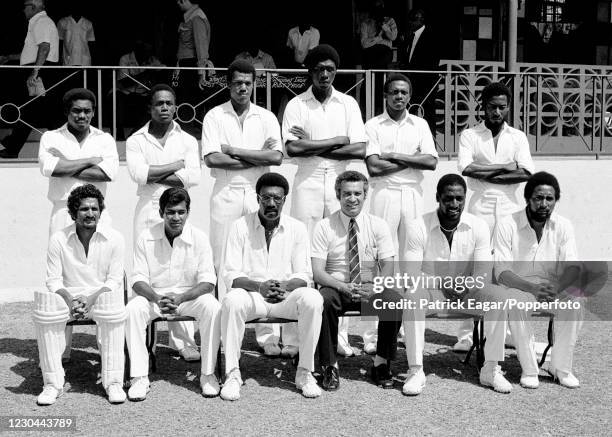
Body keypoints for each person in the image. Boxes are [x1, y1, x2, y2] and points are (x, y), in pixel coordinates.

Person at [398, 174, 535, 395]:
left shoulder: (478, 225)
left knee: (500, 297)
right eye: (448, 198)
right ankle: (415, 370)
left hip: (469, 289)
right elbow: (411, 275)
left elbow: (482, 273)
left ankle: (491, 368)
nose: (454, 204)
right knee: (412, 296)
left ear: (465, 198)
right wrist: (442, 283)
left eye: (459, 199)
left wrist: (464, 284)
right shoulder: (417, 226)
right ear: (437, 198)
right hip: (433, 290)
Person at [282, 44, 368, 357]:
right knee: (301, 254)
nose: (325, 74)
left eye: (330, 69)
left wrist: (312, 144)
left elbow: (358, 149)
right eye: (319, 69)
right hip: (306, 180)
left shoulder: (347, 104)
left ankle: (339, 336)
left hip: (339, 182)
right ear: (310, 71)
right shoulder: (296, 104)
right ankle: (294, 337)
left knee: (341, 253)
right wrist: (335, 140)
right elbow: (292, 150)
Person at [201, 60, 287, 355]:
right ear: (228, 84)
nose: (243, 88)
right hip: (226, 191)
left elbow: (275, 157)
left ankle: (267, 335)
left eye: (248, 83)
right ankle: (225, 334)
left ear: (254, 84)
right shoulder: (215, 115)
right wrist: (257, 155)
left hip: (257, 191)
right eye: (237, 82)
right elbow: (212, 159)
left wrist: (235, 150)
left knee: (263, 257)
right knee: (223, 261)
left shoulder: (265, 117)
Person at [220, 173, 323, 400]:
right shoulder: (240, 226)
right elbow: (230, 273)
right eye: (266, 197)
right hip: (253, 297)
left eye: (277, 198)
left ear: (285, 199)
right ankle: (232, 374)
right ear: (258, 198)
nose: (271, 203)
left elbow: (304, 274)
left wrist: (284, 285)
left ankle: (305, 372)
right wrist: (260, 287)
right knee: (231, 300)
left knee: (313, 299)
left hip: (285, 297)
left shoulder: (297, 228)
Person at [455, 81, 535, 352]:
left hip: (510, 207)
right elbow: (467, 169)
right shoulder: (470, 135)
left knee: (506, 265)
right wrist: (504, 166)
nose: (497, 112)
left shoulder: (518, 137)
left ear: (508, 108)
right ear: (483, 107)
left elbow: (525, 172)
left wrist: (487, 169)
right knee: (475, 265)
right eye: (492, 107)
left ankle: (510, 330)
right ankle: (466, 334)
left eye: (502, 107)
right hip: (479, 206)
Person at [362, 73, 438, 353]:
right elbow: (374, 168)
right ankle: (373, 333)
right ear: (385, 95)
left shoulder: (420, 124)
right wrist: (410, 160)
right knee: (380, 259)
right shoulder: (372, 125)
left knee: (411, 260)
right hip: (383, 193)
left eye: (404, 92)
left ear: (410, 96)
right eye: (394, 92)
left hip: (413, 196)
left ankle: (407, 326)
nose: (399, 97)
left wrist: (392, 155)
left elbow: (430, 161)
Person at [126, 84, 201, 361]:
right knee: (148, 271)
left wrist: (155, 173)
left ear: (175, 106)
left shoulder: (188, 140)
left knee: (180, 269)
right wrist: (176, 165)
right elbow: (138, 174)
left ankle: (183, 340)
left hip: (178, 209)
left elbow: (193, 178)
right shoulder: (136, 140)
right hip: (148, 208)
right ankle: (146, 340)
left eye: (169, 103)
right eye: (159, 104)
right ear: (150, 107)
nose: (165, 108)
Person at [125, 187, 221, 400]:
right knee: (132, 309)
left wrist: (181, 298)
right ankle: (139, 377)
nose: (176, 217)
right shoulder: (145, 237)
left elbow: (208, 282)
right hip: (155, 297)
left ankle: (208, 374)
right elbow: (138, 280)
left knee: (213, 307)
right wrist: (157, 298)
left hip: (188, 297)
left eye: (181, 212)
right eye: (170, 212)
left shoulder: (200, 237)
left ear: (188, 212)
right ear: (161, 213)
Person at [33, 184, 126, 405]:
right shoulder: (58, 239)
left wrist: (91, 298)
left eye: (94, 208)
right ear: (74, 212)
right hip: (69, 298)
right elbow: (53, 280)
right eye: (84, 209)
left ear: (101, 212)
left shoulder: (115, 238)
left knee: (112, 305)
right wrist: (70, 299)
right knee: (46, 305)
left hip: (100, 296)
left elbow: (114, 280)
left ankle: (113, 382)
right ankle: (52, 383)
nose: (90, 214)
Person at [493, 171, 584, 389]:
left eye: (549, 199)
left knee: (576, 301)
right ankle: (530, 369)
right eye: (538, 198)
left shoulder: (563, 225)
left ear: (556, 200)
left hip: (552, 287)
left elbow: (572, 265)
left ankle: (560, 368)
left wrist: (557, 289)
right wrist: (533, 289)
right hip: (520, 286)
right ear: (527, 199)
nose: (544, 204)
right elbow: (502, 272)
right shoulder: (507, 224)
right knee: (515, 303)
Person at [311, 171, 396, 391]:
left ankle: (381, 363)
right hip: (337, 287)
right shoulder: (324, 226)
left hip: (369, 287)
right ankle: (329, 365)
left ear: (365, 195)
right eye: (346, 193)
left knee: (394, 299)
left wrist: (375, 286)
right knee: (323, 300)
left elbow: (389, 266)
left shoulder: (378, 225)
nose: (352, 198)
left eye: (357, 193)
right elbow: (318, 272)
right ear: (338, 195)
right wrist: (341, 286)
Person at [39, 88, 118, 236]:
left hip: (97, 212)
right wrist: (90, 161)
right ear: (66, 112)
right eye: (76, 111)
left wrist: (65, 162)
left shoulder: (104, 139)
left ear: (93, 112)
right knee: (62, 258)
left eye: (87, 111)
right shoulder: (51, 137)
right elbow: (53, 170)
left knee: (99, 258)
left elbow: (108, 174)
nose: (82, 116)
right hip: (63, 212)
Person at [0, 0, 59, 159]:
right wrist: (9, 58)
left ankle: (11, 147)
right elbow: (32, 52)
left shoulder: (41, 21)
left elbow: (44, 48)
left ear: (33, 7)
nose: (23, 10)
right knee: (37, 109)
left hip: (40, 70)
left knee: (31, 109)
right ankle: (11, 145)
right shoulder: (37, 22)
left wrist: (35, 72)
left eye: (25, 7)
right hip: (38, 68)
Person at [397, 8, 440, 134]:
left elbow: (432, 60)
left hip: (426, 82)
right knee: (411, 114)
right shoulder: (411, 35)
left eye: (413, 20)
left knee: (428, 114)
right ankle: (412, 143)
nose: (410, 23)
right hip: (412, 82)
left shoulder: (430, 35)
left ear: (420, 20)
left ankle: (431, 146)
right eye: (410, 20)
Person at [115, 41, 165, 140]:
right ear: (138, 50)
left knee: (156, 105)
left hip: (143, 94)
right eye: (145, 50)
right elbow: (124, 82)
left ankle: (132, 137)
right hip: (124, 92)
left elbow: (162, 71)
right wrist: (147, 71)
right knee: (115, 100)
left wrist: (157, 70)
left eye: (150, 51)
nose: (148, 54)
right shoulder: (125, 59)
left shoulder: (151, 60)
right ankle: (119, 137)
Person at [359, 0, 397, 69]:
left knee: (383, 61)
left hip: (385, 51)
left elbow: (393, 37)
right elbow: (364, 44)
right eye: (376, 7)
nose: (378, 10)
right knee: (368, 59)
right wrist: (378, 38)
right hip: (371, 51)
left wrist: (383, 25)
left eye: (380, 7)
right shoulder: (365, 23)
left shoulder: (390, 21)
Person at [57, 0, 95, 66]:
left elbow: (91, 42)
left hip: (84, 60)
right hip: (68, 59)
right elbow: (59, 41)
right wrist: (61, 58)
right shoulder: (63, 22)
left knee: (84, 76)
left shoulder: (88, 23)